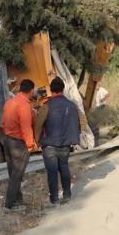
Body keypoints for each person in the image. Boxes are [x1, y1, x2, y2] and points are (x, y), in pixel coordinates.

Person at [34, 77, 81, 205]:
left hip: (49, 145)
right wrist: (75, 136)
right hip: (66, 144)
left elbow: (38, 125)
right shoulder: (72, 105)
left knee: (52, 172)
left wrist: (37, 141)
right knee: (64, 168)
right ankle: (67, 194)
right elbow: (81, 121)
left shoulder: (46, 106)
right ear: (63, 89)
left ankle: (54, 198)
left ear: (51, 89)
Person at [1, 78, 36, 212]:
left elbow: (3, 122)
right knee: (17, 174)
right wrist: (30, 145)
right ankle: (9, 204)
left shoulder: (10, 102)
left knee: (13, 173)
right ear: (31, 91)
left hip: (8, 140)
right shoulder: (24, 105)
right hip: (18, 143)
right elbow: (26, 127)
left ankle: (18, 199)